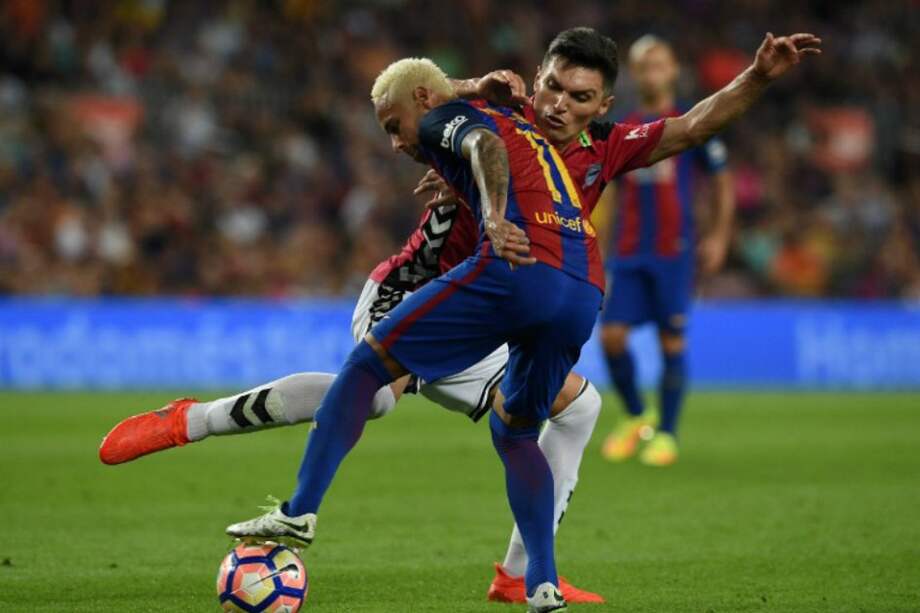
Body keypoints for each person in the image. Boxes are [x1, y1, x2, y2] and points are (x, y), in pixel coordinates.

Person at [99, 27, 821, 608]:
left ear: (602, 106)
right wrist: (468, 104)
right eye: (551, 86)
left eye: (579, 96)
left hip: (506, 304)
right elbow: (413, 102)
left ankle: (520, 573)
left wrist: (757, 77)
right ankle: (191, 420)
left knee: (575, 406)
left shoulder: (605, 151)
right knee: (377, 395)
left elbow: (693, 126)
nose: (559, 104)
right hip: (417, 284)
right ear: (535, 78)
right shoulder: (499, 115)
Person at [599, 35, 735, 467]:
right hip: (628, 249)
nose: (651, 72)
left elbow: (722, 181)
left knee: (670, 339)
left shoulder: (692, 121)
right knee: (612, 337)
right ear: (634, 74)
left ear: (673, 69)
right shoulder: (622, 126)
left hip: (674, 251)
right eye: (642, 65)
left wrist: (717, 236)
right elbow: (607, 192)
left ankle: (668, 435)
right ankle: (639, 416)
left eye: (659, 64)